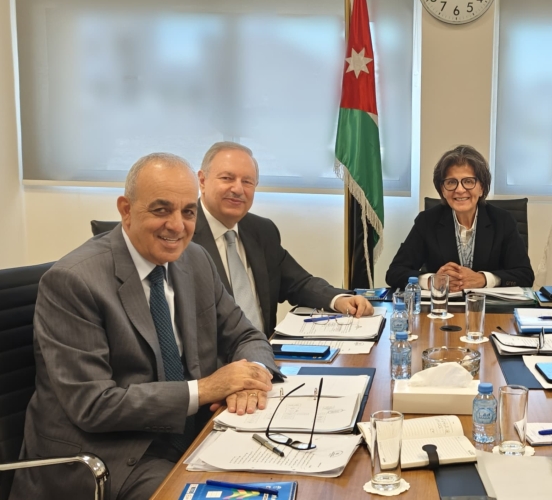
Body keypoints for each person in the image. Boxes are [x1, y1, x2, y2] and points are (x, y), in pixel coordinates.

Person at [12, 153, 280, 500]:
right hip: (109, 454)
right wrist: (206, 389)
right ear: (125, 209)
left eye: (188, 212)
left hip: (191, 432)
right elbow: (94, 405)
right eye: (161, 209)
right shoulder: (73, 281)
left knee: (279, 474)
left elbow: (245, 334)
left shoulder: (195, 260)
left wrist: (252, 378)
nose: (177, 226)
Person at [194, 142, 373, 337]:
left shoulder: (262, 230)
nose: (238, 189)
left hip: (266, 350)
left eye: (247, 182)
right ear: (202, 181)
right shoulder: (182, 236)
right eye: (227, 178)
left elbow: (298, 283)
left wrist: (338, 300)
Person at [386, 145, 534, 291]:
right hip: (444, 305)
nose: (460, 190)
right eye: (451, 182)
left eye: (468, 181)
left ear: (482, 187)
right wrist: (432, 281)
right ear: (443, 190)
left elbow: (525, 275)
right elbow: (394, 273)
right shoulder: (427, 221)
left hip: (488, 305)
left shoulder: (503, 221)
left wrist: (483, 279)